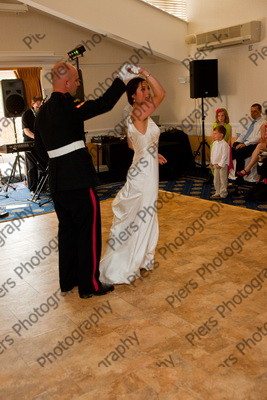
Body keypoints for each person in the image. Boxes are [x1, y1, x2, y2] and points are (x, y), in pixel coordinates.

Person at [35, 61, 137, 299]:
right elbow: (103, 104)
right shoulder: (70, 106)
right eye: (77, 80)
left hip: (58, 182)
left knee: (67, 231)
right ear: (67, 82)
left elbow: (40, 151)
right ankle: (89, 284)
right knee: (88, 232)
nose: (79, 84)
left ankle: (68, 280)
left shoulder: (42, 113)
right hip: (78, 180)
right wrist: (121, 80)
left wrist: (58, 164)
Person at [100, 69, 166, 285]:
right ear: (133, 96)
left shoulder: (135, 115)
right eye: (143, 89)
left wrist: (152, 151)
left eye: (147, 88)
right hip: (144, 174)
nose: (147, 91)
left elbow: (132, 144)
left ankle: (142, 258)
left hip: (143, 168)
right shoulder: (139, 113)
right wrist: (147, 74)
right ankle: (129, 261)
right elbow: (162, 94)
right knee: (142, 215)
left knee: (144, 213)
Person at [232, 103, 265, 178]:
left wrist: (245, 144)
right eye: (251, 111)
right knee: (231, 150)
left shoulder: (263, 123)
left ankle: (238, 178)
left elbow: (258, 137)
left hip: (253, 144)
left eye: (255, 111)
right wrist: (237, 142)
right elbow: (243, 134)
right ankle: (224, 174)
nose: (252, 113)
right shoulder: (250, 122)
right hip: (245, 142)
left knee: (239, 153)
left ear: (260, 111)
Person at [22, 96, 45, 193]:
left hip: (40, 143)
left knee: (43, 164)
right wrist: (37, 138)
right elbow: (26, 131)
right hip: (29, 142)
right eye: (37, 106)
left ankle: (42, 187)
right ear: (32, 104)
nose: (39, 108)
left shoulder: (42, 113)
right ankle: (33, 188)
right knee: (32, 166)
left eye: (41, 106)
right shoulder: (26, 114)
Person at [210, 125, 230, 199]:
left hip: (223, 165)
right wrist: (212, 163)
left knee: (223, 179)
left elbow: (224, 156)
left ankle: (223, 192)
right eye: (213, 133)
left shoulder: (225, 145)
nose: (214, 135)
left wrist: (221, 164)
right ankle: (217, 192)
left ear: (221, 135)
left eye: (215, 133)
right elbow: (212, 153)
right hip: (215, 164)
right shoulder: (214, 143)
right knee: (216, 179)